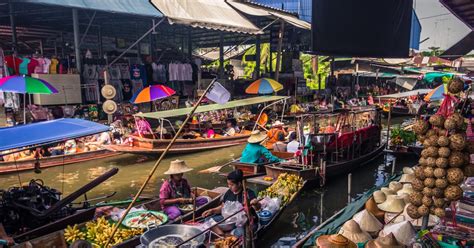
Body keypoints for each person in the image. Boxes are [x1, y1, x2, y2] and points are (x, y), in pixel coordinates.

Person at [202, 169, 260, 237]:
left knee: (242, 232)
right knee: (207, 219)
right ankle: (222, 234)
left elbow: (257, 208)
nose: (229, 186)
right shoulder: (229, 192)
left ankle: (229, 234)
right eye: (228, 184)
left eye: (231, 184)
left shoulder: (248, 193)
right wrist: (212, 210)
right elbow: (223, 207)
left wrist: (255, 203)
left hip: (244, 221)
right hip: (230, 219)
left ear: (239, 183)